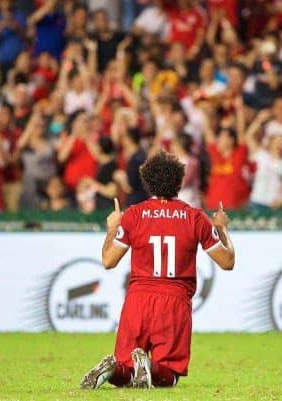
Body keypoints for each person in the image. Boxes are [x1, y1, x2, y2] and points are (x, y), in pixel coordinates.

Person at [80, 151, 235, 389]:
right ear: (179, 182)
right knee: (169, 375)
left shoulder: (134, 215)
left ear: (148, 182)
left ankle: (113, 369)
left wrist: (113, 227)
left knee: (125, 368)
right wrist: (222, 228)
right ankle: (148, 365)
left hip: (138, 300)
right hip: (174, 301)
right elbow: (227, 262)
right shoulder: (195, 217)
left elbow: (108, 260)